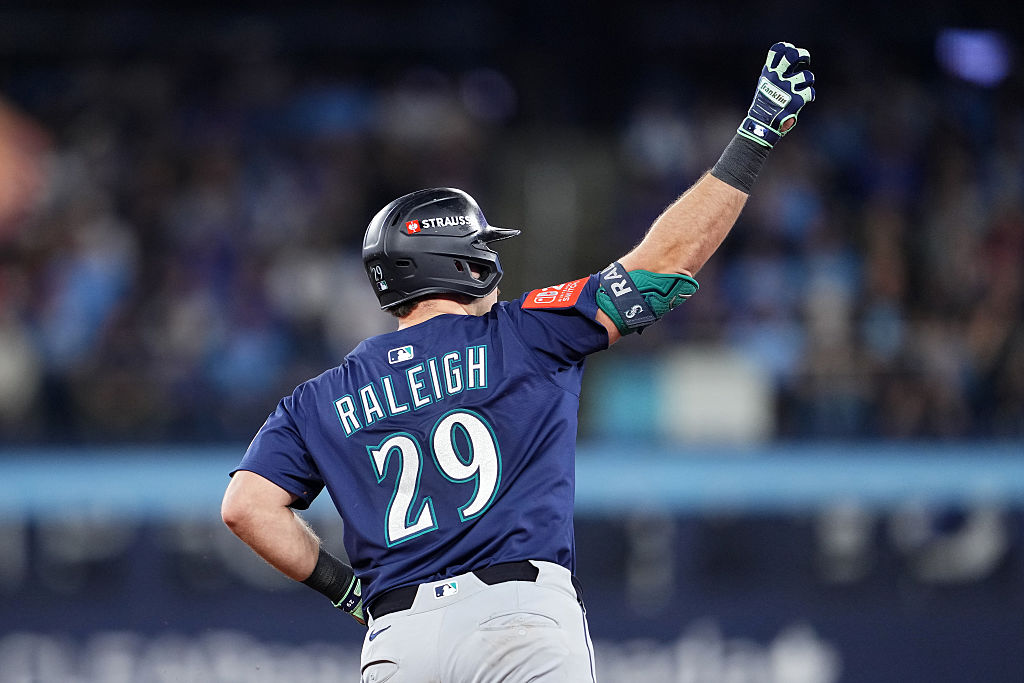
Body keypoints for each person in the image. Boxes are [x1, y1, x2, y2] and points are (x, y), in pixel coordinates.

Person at [221, 42, 815, 682]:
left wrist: (347, 590)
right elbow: (665, 263)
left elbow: (245, 506)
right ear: (463, 263)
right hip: (516, 620)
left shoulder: (317, 398)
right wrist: (755, 135)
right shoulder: (524, 333)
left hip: (399, 640)